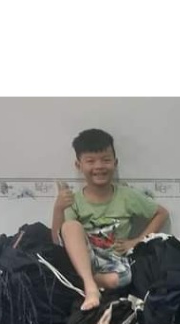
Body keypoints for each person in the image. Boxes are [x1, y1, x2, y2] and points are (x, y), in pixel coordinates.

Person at [52, 128, 169, 311]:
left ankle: (87, 281)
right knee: (71, 226)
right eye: (90, 161)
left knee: (120, 279)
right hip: (84, 259)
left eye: (105, 160)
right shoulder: (74, 200)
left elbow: (161, 213)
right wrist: (58, 209)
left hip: (113, 261)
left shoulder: (127, 196)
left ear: (115, 163)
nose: (99, 166)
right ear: (78, 165)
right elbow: (57, 241)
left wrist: (137, 241)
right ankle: (90, 287)